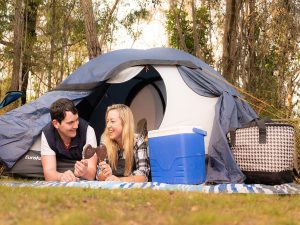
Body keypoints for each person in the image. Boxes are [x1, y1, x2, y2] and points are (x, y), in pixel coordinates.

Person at [41, 98, 98, 182]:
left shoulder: (88, 131)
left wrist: (84, 172)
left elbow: (92, 174)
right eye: (70, 122)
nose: (76, 126)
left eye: (77, 120)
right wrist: (61, 176)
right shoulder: (47, 134)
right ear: (55, 123)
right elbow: (49, 173)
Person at [96, 104, 150, 182]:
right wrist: (105, 174)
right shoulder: (105, 140)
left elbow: (143, 176)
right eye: (107, 121)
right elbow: (98, 175)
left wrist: (119, 180)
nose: (108, 125)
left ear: (125, 123)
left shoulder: (138, 141)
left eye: (112, 121)